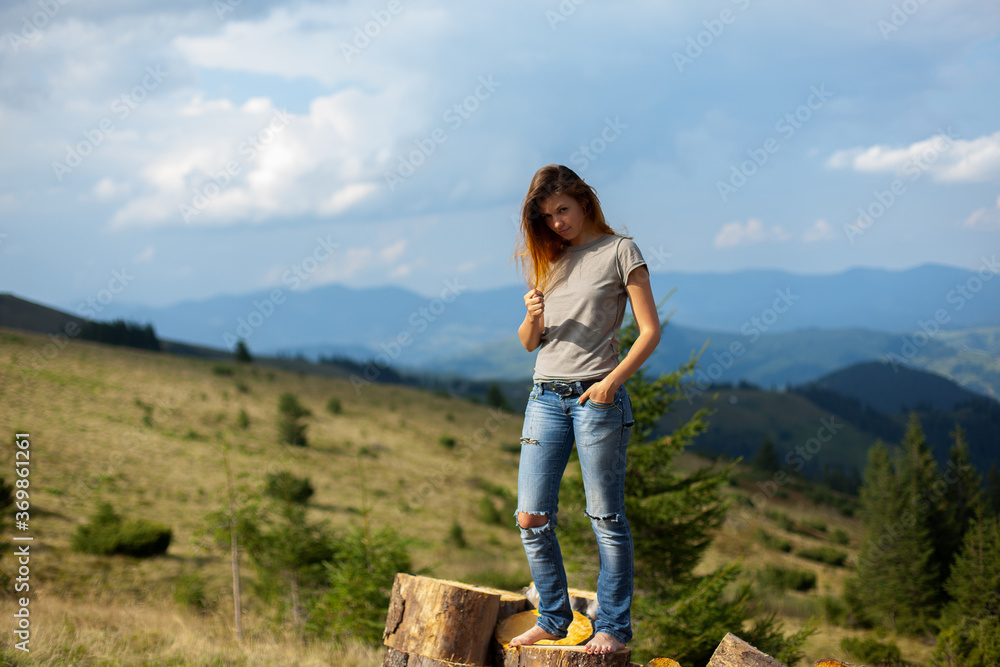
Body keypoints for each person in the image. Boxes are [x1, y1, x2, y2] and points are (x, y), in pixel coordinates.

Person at [509, 164, 660, 655]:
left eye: (563, 210)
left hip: (596, 399)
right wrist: (531, 316)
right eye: (547, 216)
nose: (557, 222)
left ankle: (613, 627)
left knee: (605, 517)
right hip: (544, 397)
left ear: (584, 201)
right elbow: (530, 343)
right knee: (531, 516)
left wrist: (610, 384)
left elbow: (650, 331)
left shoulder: (620, 251)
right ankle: (554, 618)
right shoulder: (549, 259)